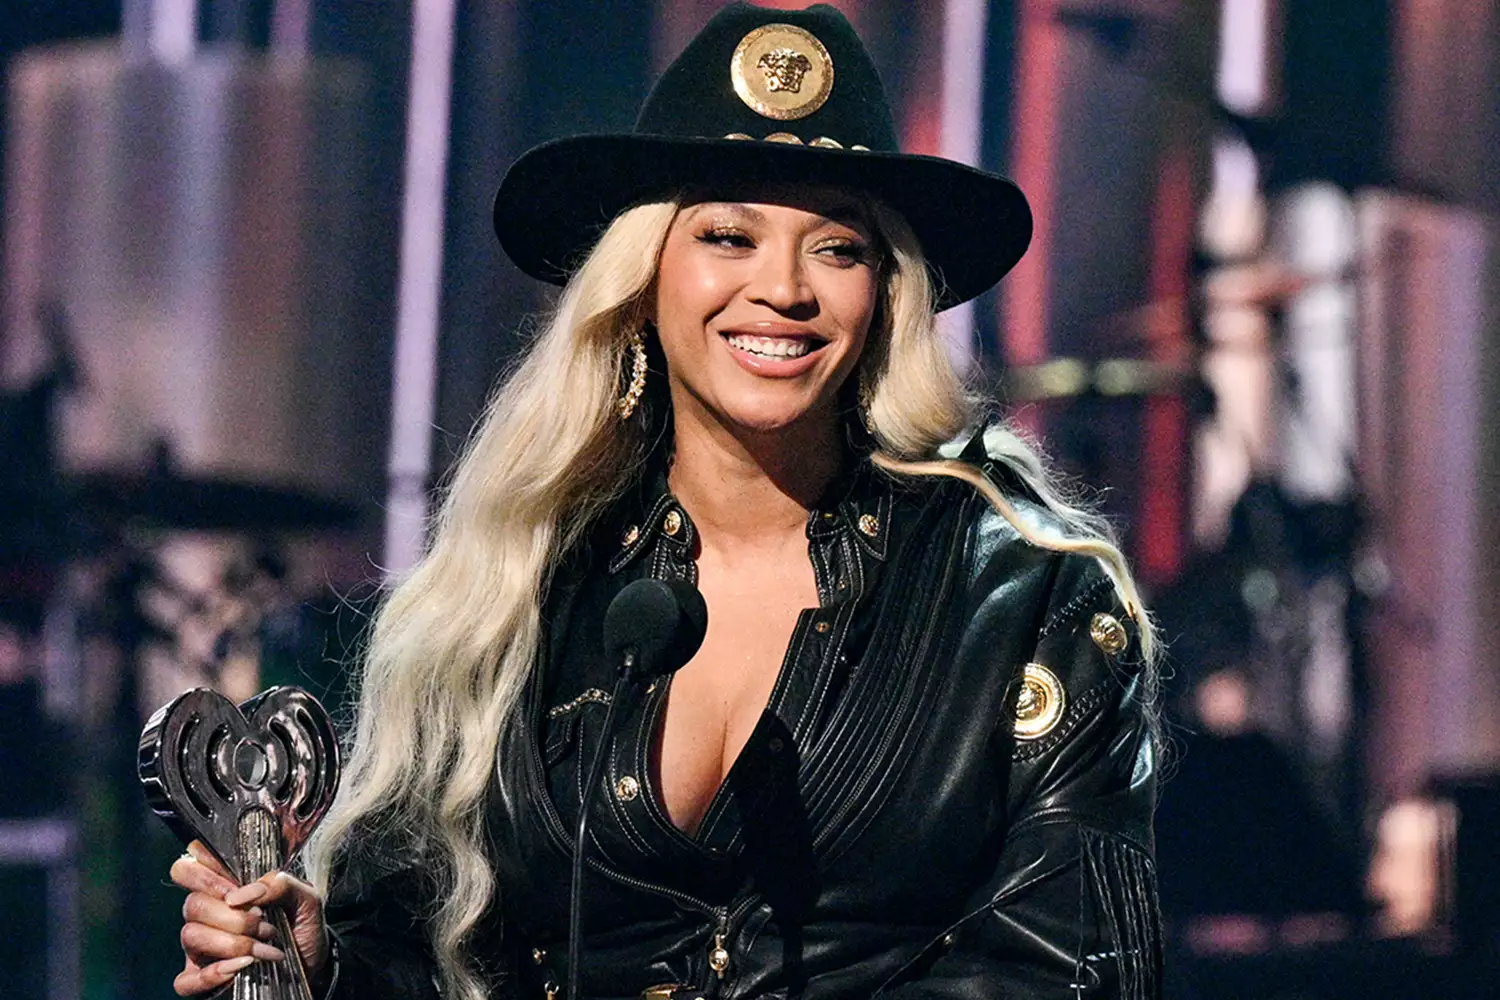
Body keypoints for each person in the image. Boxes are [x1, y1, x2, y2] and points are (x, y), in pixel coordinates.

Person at [168, 4, 1164, 998]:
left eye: (838, 247)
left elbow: (1075, 973)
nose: (783, 287)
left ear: (888, 294)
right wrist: (327, 966)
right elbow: (428, 944)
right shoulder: (518, 579)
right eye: (729, 236)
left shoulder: (1030, 598)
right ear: (643, 279)